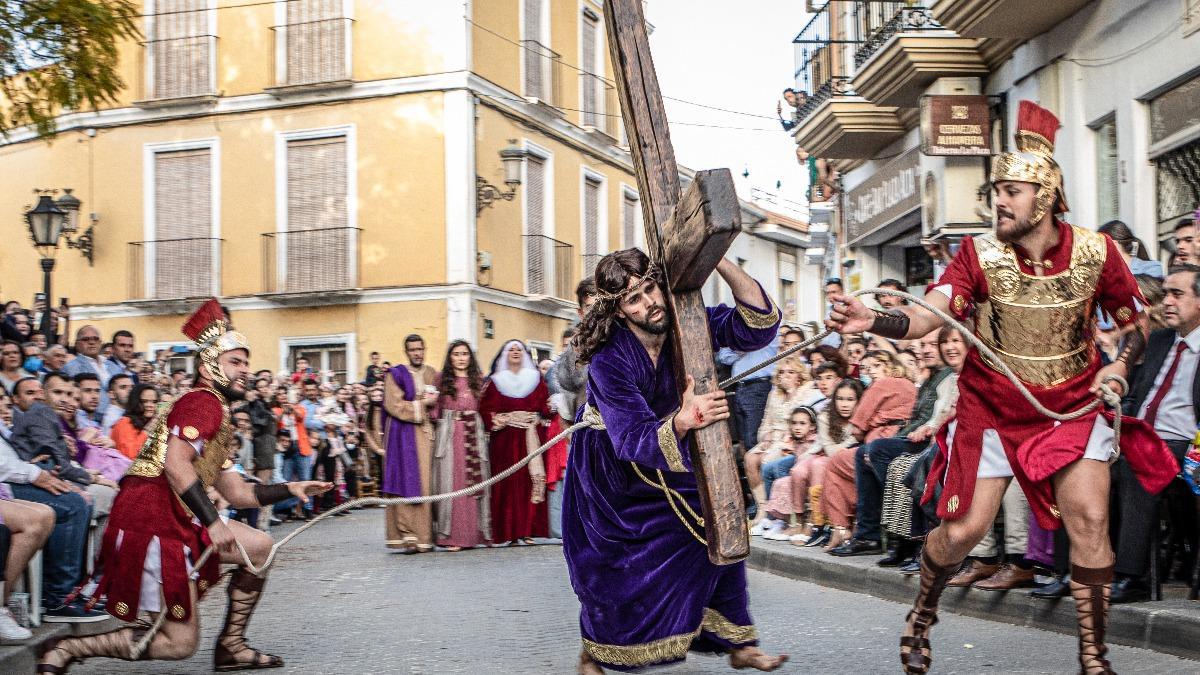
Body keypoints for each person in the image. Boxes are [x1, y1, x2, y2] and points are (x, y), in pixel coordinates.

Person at [825, 101, 1176, 675]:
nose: (999, 202)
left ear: (1045, 194)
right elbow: (931, 314)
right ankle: (923, 611)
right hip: (991, 406)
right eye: (997, 191)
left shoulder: (1096, 252)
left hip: (1071, 403)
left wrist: (1119, 368)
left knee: (1089, 517)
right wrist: (875, 321)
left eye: (1011, 190)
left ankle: (1095, 654)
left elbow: (1136, 321)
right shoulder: (977, 254)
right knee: (964, 530)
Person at [36, 298, 332, 672]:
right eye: (235, 362)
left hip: (171, 515)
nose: (246, 370)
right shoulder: (203, 402)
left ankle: (231, 646)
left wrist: (292, 489)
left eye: (246, 362)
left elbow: (238, 493)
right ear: (210, 366)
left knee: (259, 547)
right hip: (152, 520)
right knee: (179, 645)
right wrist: (212, 522)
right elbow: (176, 466)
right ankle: (64, 649)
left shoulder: (215, 412)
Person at [563, 248, 787, 673]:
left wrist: (715, 258)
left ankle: (737, 639)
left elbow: (757, 326)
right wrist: (683, 419)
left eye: (651, 289)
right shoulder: (610, 359)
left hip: (672, 448)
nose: (649, 303)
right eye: (634, 299)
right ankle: (595, 651)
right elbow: (630, 439)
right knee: (619, 571)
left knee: (719, 522)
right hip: (612, 472)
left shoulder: (688, 320)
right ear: (620, 312)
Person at [1110, 264, 1200, 602]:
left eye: (1177, 294)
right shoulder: (1160, 340)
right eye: (1164, 295)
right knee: (1077, 460)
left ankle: (1133, 577)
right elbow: (1137, 393)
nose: (1167, 302)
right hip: (1142, 435)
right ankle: (1071, 570)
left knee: (1136, 465)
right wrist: (1121, 424)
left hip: (1186, 443)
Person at [480, 340, 553, 545]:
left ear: (525, 354)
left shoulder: (535, 379)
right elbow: (485, 409)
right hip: (504, 441)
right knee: (506, 483)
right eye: (510, 349)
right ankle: (508, 532)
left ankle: (527, 530)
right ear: (504, 354)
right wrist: (498, 421)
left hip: (530, 437)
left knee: (530, 481)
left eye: (518, 350)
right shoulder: (496, 382)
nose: (514, 352)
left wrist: (544, 413)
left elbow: (544, 406)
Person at [380, 335, 439, 553]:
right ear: (406, 352)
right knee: (405, 483)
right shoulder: (395, 375)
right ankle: (408, 536)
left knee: (427, 485)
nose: (417, 353)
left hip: (428, 434)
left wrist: (434, 406)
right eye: (412, 350)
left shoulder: (432, 374)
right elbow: (393, 404)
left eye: (420, 349)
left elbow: (440, 402)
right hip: (402, 436)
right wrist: (423, 403)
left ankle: (426, 536)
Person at [431, 340, 490, 551]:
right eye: (456, 354)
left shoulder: (478, 380)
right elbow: (435, 409)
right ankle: (452, 536)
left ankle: (473, 535)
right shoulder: (441, 380)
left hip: (473, 433)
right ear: (450, 357)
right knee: (452, 481)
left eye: (465, 354)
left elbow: (487, 406)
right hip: (451, 435)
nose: (461, 358)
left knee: (472, 483)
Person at [110, 384, 159, 460]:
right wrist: (147, 431)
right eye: (145, 401)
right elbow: (131, 455)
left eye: (154, 402)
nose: (151, 405)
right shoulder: (124, 423)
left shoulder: (152, 422)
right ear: (135, 402)